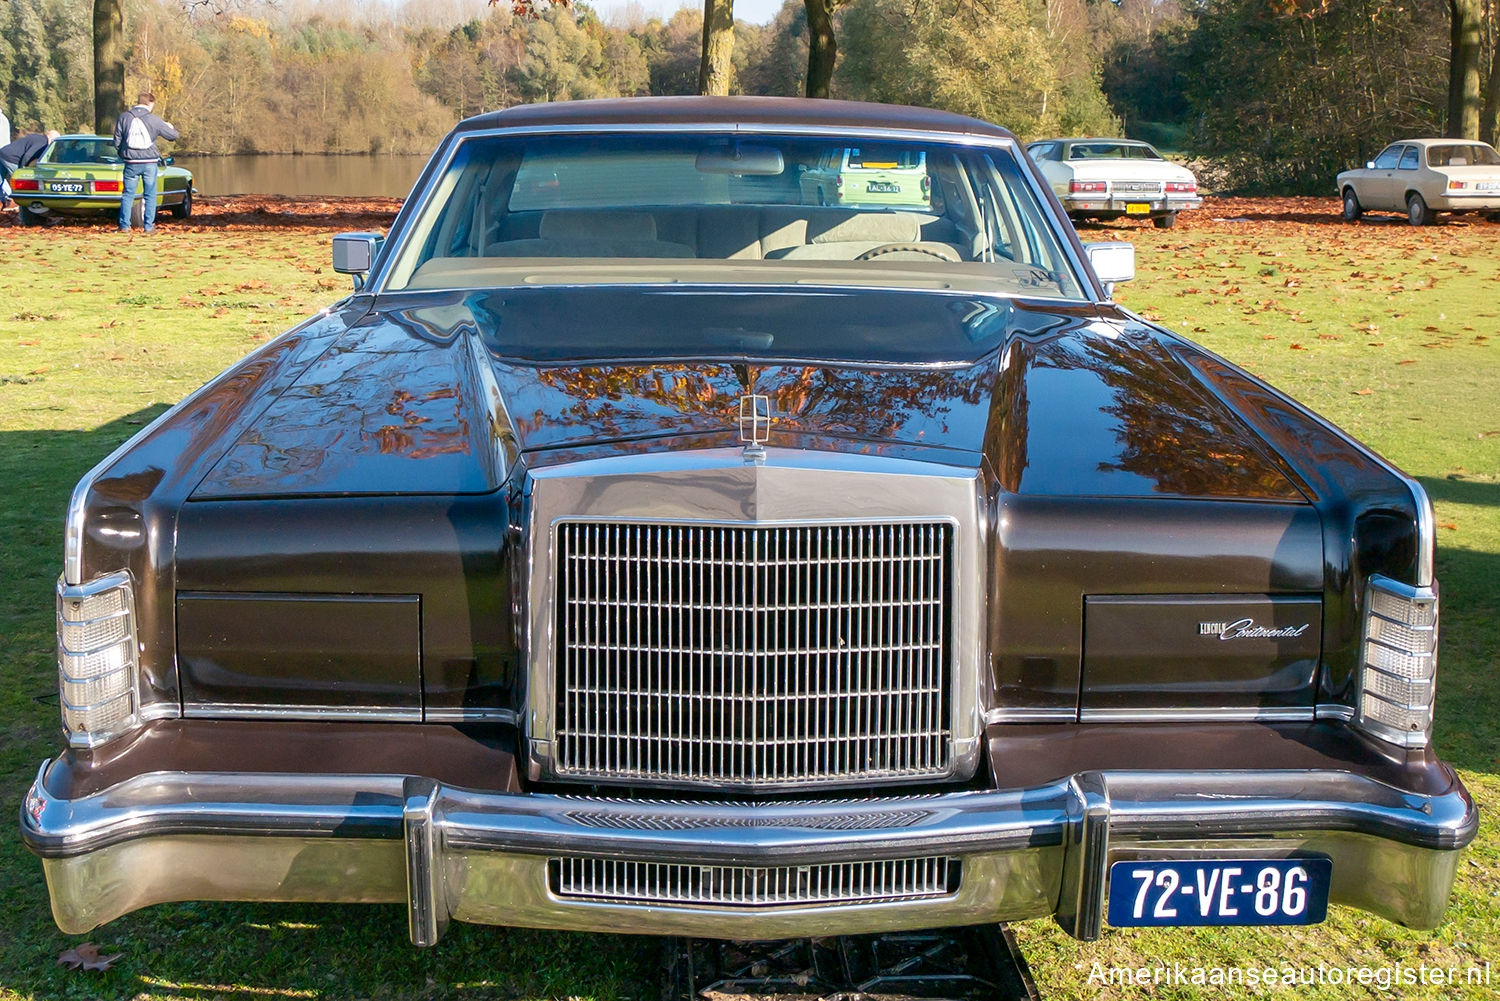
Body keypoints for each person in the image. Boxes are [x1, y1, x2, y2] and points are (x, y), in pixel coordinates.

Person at [113, 92, 179, 233]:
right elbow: (173, 136)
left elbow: (117, 141)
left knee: (128, 194)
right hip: (149, 162)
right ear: (150, 103)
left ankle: (124, 226)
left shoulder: (124, 117)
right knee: (150, 194)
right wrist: (170, 127)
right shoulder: (153, 119)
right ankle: (148, 227)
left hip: (131, 162)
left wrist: (124, 155)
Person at [1, 129, 60, 208]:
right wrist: (23, 170)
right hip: (12, 159)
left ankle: (3, 200)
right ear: (52, 139)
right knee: (21, 182)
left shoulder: (37, 137)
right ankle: (17, 203)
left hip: (3, 153)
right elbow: (28, 155)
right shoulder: (43, 143)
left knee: (0, 179)